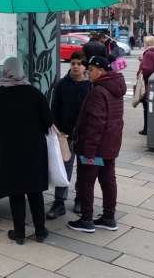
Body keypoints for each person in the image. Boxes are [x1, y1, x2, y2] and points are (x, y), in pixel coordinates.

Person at [0, 57, 53, 245]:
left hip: (8, 152)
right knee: (35, 191)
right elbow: (48, 121)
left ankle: (20, 233)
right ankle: (40, 231)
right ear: (21, 71)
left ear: (5, 72)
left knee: (16, 192)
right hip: (33, 151)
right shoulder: (34, 93)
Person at [68, 56, 126, 233]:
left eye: (91, 70)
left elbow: (95, 124)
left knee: (86, 181)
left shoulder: (98, 92)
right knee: (108, 181)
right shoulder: (115, 87)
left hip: (96, 148)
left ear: (100, 71)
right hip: (110, 145)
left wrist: (89, 152)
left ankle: (86, 219)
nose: (88, 73)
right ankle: (109, 217)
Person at [46, 51, 91, 219]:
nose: (75, 66)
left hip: (85, 136)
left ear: (84, 66)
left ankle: (80, 199)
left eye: (79, 64)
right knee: (64, 167)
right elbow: (54, 109)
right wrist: (57, 130)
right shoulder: (62, 84)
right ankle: (59, 203)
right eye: (73, 63)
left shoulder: (90, 86)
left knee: (85, 167)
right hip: (65, 135)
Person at [137, 36, 154, 135]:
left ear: (147, 44)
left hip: (149, 83)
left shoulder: (148, 53)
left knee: (146, 107)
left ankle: (146, 129)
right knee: (152, 107)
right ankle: (152, 127)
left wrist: (139, 73)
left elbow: (147, 69)